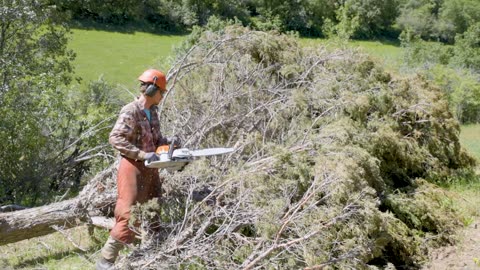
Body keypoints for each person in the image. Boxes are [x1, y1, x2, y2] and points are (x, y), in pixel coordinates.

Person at [96, 69, 178, 270]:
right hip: (132, 168)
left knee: (153, 210)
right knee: (128, 213)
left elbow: (157, 142)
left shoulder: (154, 113)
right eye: (161, 91)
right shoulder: (131, 110)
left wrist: (169, 143)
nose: (162, 95)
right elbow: (115, 138)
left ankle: (151, 256)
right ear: (151, 89)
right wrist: (141, 155)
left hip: (151, 168)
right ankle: (105, 261)